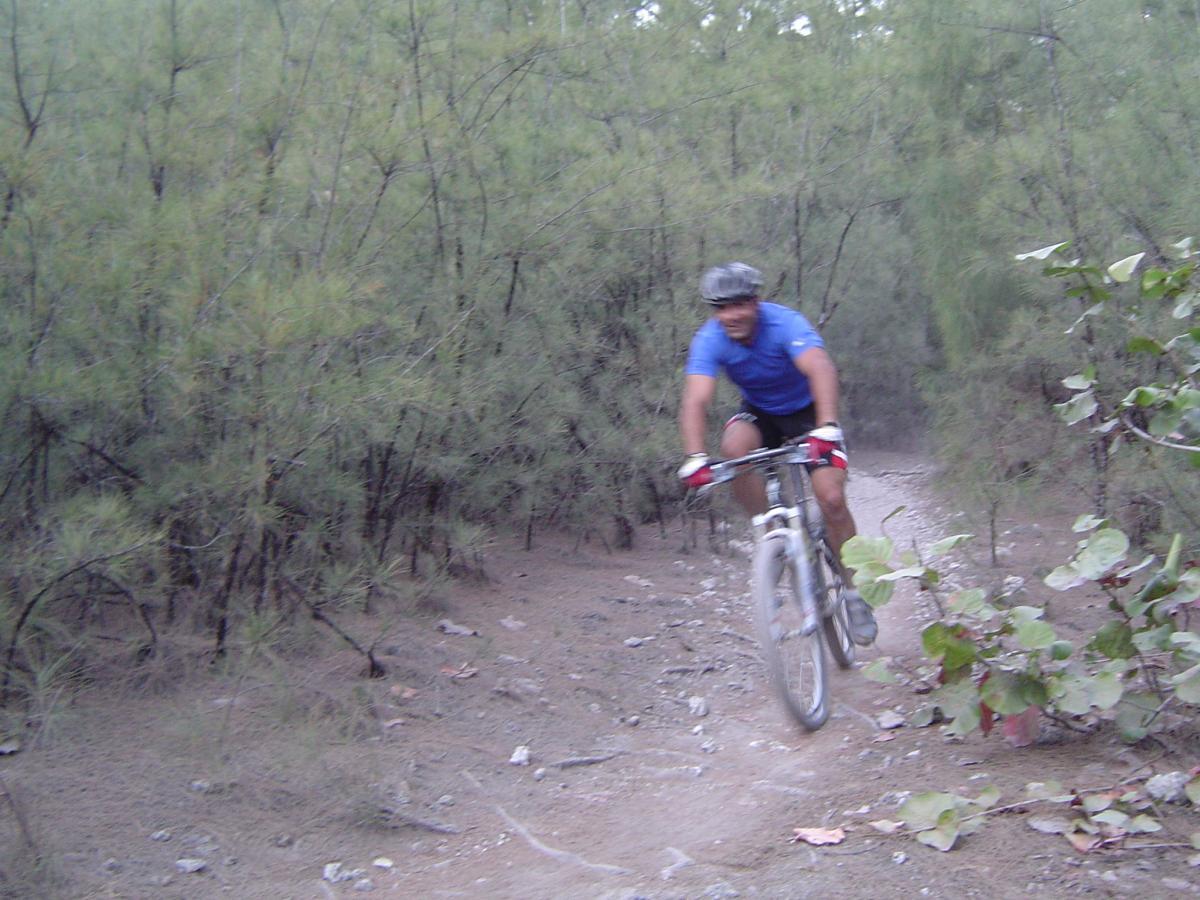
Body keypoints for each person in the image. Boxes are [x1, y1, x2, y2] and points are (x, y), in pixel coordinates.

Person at [676, 261, 877, 645]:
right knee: (733, 448)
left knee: (832, 499)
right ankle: (774, 536)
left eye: (739, 305)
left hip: (809, 412)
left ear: (757, 301)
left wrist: (828, 427)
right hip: (762, 413)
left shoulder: (784, 323)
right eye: (721, 307)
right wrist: (694, 457)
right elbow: (696, 398)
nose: (731, 315)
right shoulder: (710, 339)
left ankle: (854, 592)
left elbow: (820, 368)